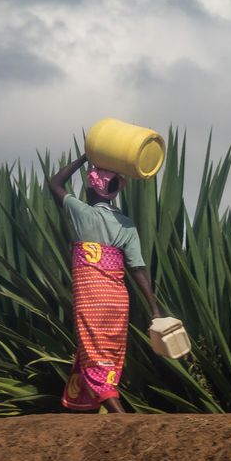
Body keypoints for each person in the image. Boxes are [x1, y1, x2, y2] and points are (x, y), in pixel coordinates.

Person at [48, 153, 162, 413]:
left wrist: (84, 157)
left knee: (93, 352)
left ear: (91, 189)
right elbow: (137, 268)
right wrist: (154, 308)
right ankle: (87, 409)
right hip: (117, 299)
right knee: (106, 352)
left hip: (92, 296)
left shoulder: (82, 213)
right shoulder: (127, 225)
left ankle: (118, 415)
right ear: (113, 192)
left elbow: (55, 184)